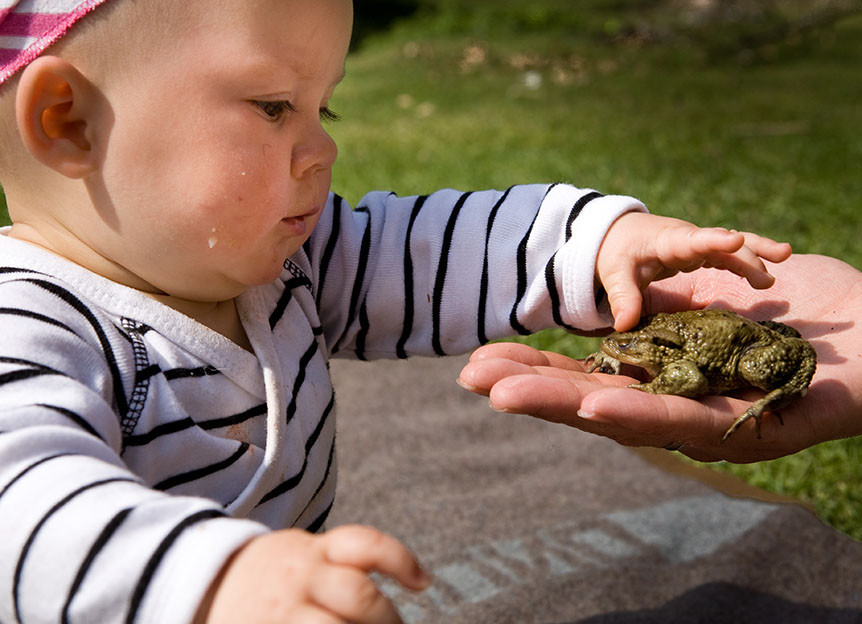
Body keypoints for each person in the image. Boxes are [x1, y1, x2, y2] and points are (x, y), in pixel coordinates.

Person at [0, 1, 792, 622]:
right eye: (275, 106)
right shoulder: (28, 327)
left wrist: (590, 244)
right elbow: (21, 505)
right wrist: (207, 581)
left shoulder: (280, 267)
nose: (322, 150)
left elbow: (423, 250)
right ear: (69, 121)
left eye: (324, 111)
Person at [459, 253, 862, 464]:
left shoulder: (674, 362)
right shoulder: (648, 342)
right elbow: (634, 349)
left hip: (744, 349)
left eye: (629, 346)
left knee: (753, 370)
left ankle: (783, 389)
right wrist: (617, 358)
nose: (620, 347)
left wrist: (646, 386)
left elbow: (687, 379)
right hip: (717, 334)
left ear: (656, 351)